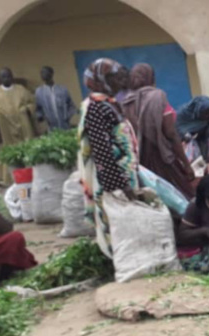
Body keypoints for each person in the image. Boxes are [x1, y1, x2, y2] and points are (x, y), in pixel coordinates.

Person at [77, 58, 140, 258]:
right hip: (113, 179)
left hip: (123, 173)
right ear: (101, 79)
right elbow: (101, 150)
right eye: (115, 78)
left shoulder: (108, 104)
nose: (120, 83)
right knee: (114, 219)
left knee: (126, 218)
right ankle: (118, 259)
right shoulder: (95, 108)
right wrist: (120, 185)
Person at [122, 63, 195, 199]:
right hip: (163, 158)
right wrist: (186, 164)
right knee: (181, 196)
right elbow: (171, 133)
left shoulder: (125, 103)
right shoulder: (157, 96)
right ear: (151, 78)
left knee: (153, 197)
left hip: (141, 161)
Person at [0, 67, 37, 184]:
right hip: (6, 128)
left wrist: (26, 110)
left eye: (9, 76)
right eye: (4, 76)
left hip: (24, 127)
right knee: (10, 152)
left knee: (28, 149)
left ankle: (32, 176)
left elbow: (32, 102)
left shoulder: (20, 89)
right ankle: (11, 179)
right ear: (0, 78)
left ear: (12, 76)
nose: (7, 78)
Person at [176, 96, 209, 164]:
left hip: (202, 138)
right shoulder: (183, 114)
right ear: (198, 110)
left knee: (204, 161)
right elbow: (177, 128)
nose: (207, 116)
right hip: (183, 143)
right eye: (205, 113)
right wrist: (185, 135)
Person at [35, 66, 77, 131]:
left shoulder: (62, 90)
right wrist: (41, 117)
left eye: (45, 72)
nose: (43, 75)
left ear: (51, 74)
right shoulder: (39, 92)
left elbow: (72, 106)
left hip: (65, 126)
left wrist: (67, 117)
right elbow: (38, 109)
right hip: (51, 128)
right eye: (42, 73)